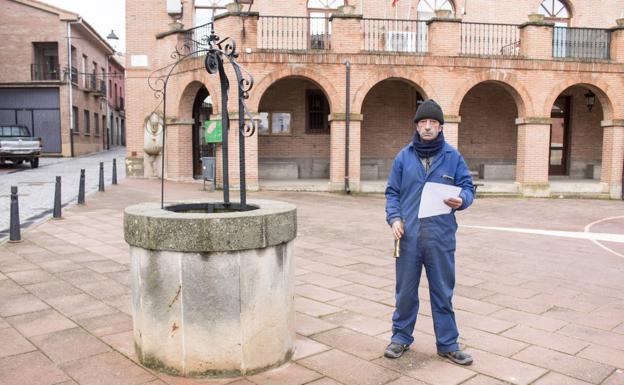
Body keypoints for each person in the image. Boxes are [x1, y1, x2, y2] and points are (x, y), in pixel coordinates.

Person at [384, 99, 475, 365]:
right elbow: (392, 193)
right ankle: (400, 338)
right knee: (405, 293)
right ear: (416, 125)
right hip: (408, 237)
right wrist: (395, 219)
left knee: (443, 292)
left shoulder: (452, 157)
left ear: (440, 126)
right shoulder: (403, 157)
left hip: (440, 237)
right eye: (422, 122)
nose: (427, 127)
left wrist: (463, 200)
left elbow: (468, 187)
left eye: (432, 123)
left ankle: (448, 344)